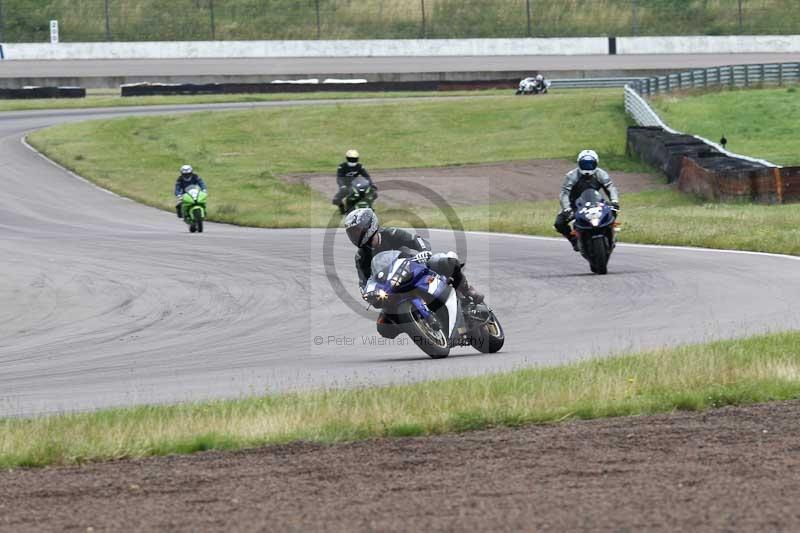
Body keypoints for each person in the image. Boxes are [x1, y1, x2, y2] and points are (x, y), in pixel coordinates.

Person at [344, 208, 484, 304]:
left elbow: (416, 240)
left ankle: (468, 290)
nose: (355, 235)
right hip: (394, 286)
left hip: (416, 267)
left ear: (369, 225)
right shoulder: (361, 257)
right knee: (384, 326)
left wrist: (424, 251)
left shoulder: (390, 234)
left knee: (446, 261)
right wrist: (367, 293)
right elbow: (364, 282)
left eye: (357, 231)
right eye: (352, 233)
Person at [554, 150, 620, 251]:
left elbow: (611, 188)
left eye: (590, 164)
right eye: (584, 164)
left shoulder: (601, 174)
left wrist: (614, 201)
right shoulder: (571, 176)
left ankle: (611, 234)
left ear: (596, 163)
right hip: (575, 205)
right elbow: (564, 193)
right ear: (578, 163)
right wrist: (567, 209)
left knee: (612, 211)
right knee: (559, 223)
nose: (587, 167)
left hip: (596, 203)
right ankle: (574, 240)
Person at [332, 149, 377, 214]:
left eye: (354, 159)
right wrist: (342, 186)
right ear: (347, 158)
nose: (352, 161)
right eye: (351, 159)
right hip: (346, 186)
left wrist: (372, 184)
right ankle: (342, 210)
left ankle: (369, 207)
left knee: (374, 194)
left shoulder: (359, 166)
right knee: (336, 200)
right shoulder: (342, 166)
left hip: (356, 185)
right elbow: (339, 178)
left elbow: (366, 176)